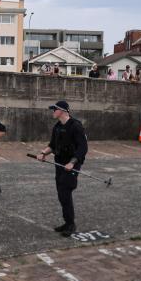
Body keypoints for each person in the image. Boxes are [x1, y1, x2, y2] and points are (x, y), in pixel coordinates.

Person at [37, 101, 88, 237]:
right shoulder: (57, 127)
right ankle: (67, 222)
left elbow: (83, 148)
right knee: (61, 194)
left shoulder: (76, 126)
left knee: (65, 193)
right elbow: (52, 145)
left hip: (71, 165)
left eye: (55, 109)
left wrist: (72, 162)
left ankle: (71, 224)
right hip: (59, 164)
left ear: (63, 111)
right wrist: (43, 153)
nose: (53, 111)